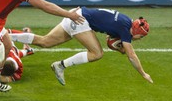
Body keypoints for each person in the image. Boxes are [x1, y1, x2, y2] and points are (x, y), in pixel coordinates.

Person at [10, 7, 153, 85]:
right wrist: (143, 74)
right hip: (80, 20)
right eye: (141, 36)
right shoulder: (126, 31)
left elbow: (109, 40)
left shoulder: (126, 22)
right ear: (137, 31)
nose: (139, 39)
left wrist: (118, 48)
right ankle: (60, 65)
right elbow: (131, 56)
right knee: (97, 53)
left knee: (45, 42)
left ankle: (6, 35)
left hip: (77, 14)